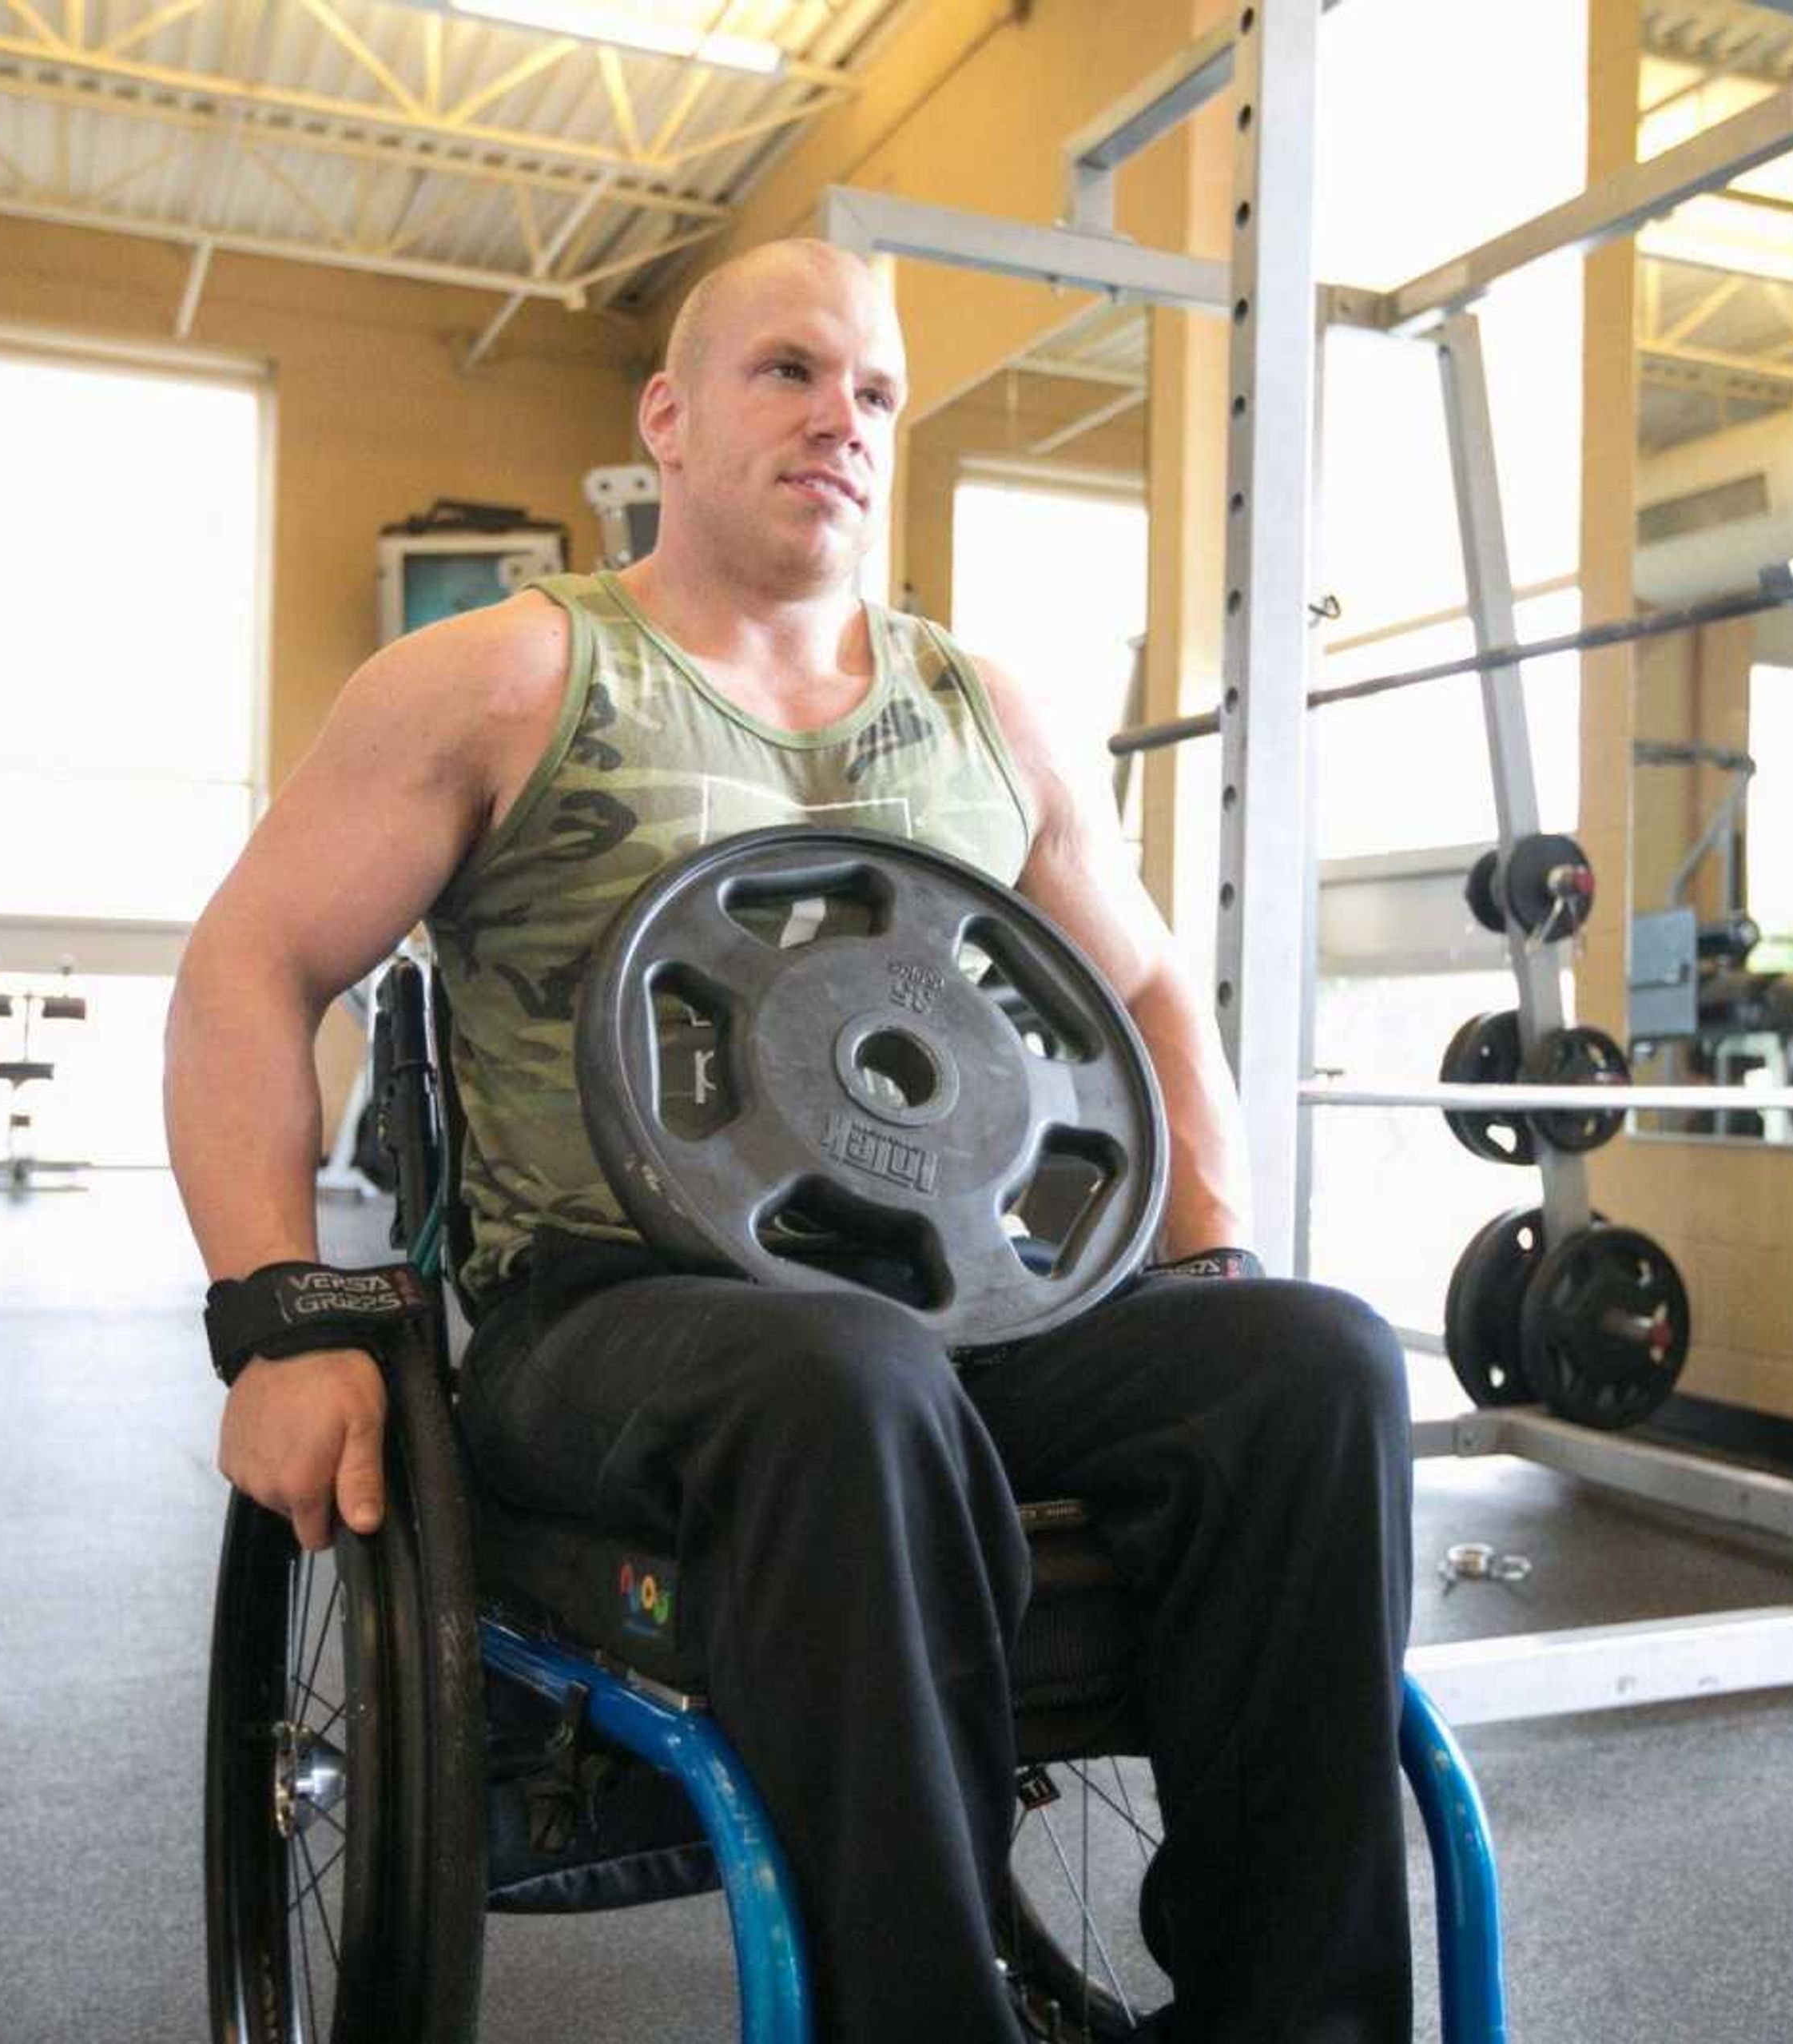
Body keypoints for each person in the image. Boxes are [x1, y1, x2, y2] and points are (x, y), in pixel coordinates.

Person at [165, 237, 1417, 2043]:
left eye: (878, 392)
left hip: (955, 1321)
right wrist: (278, 1313)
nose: (844, 418)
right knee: (844, 1374)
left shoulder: (985, 714)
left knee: (1312, 1362)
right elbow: (250, 964)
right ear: (666, 417)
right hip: (607, 1319)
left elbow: (1148, 997)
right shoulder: (513, 673)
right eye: (789, 372)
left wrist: (1205, 1250)